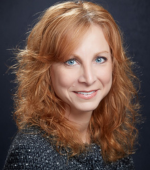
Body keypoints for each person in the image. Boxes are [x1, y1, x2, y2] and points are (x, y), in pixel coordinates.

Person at [3, 0, 140, 169]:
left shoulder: (107, 138)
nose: (89, 79)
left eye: (99, 59)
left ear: (114, 64)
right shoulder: (31, 155)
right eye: (71, 61)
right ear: (45, 70)